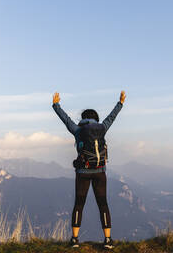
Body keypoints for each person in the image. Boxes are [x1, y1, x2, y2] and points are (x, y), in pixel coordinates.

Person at [52, 91, 126, 249]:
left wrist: (56, 105)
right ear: (96, 119)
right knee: (103, 204)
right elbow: (112, 117)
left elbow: (65, 119)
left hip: (82, 173)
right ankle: (107, 240)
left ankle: (74, 240)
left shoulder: (78, 130)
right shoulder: (102, 128)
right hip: (100, 171)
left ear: (83, 118)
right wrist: (120, 103)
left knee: (79, 204)